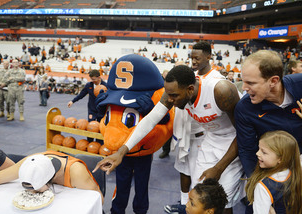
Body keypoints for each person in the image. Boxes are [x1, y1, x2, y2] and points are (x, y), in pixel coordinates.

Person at [94, 64, 244, 213]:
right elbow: (150, 120)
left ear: (190, 90)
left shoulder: (221, 91)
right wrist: (121, 152)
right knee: (199, 196)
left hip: (234, 141)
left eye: (174, 96)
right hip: (211, 138)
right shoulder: (174, 91)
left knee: (225, 202)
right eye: (168, 94)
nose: (170, 100)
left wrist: (219, 168)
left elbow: (244, 134)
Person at [234, 50, 302, 214]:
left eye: (251, 83)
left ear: (273, 81)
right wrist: (257, 188)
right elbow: (247, 150)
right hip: (273, 173)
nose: (244, 88)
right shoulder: (245, 109)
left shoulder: (300, 84)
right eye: (243, 81)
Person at [165, 41, 225, 214]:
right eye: (191, 58)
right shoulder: (189, 80)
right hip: (195, 135)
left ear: (208, 57)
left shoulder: (217, 85)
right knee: (186, 172)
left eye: (197, 58)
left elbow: (240, 127)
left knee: (206, 187)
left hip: (208, 138)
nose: (194, 61)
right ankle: (186, 205)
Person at [0, 151, 103, 202]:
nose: (33, 192)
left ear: (50, 180)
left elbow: (99, 200)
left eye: (36, 189)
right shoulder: (31, 163)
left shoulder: (76, 173)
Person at [245, 130, 302, 214]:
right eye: (259, 149)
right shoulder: (295, 173)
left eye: (264, 152)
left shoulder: (263, 187)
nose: (257, 153)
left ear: (281, 158)